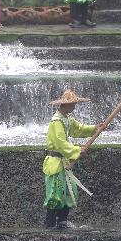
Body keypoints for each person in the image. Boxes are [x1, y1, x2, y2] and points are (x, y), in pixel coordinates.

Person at [43, 90, 106, 229]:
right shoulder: (56, 122)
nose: (74, 106)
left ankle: (62, 222)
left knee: (67, 192)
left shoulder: (67, 118)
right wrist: (77, 150)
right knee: (55, 193)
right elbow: (59, 143)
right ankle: (50, 224)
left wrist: (95, 128)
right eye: (73, 104)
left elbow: (78, 129)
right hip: (55, 162)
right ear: (65, 105)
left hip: (63, 161)